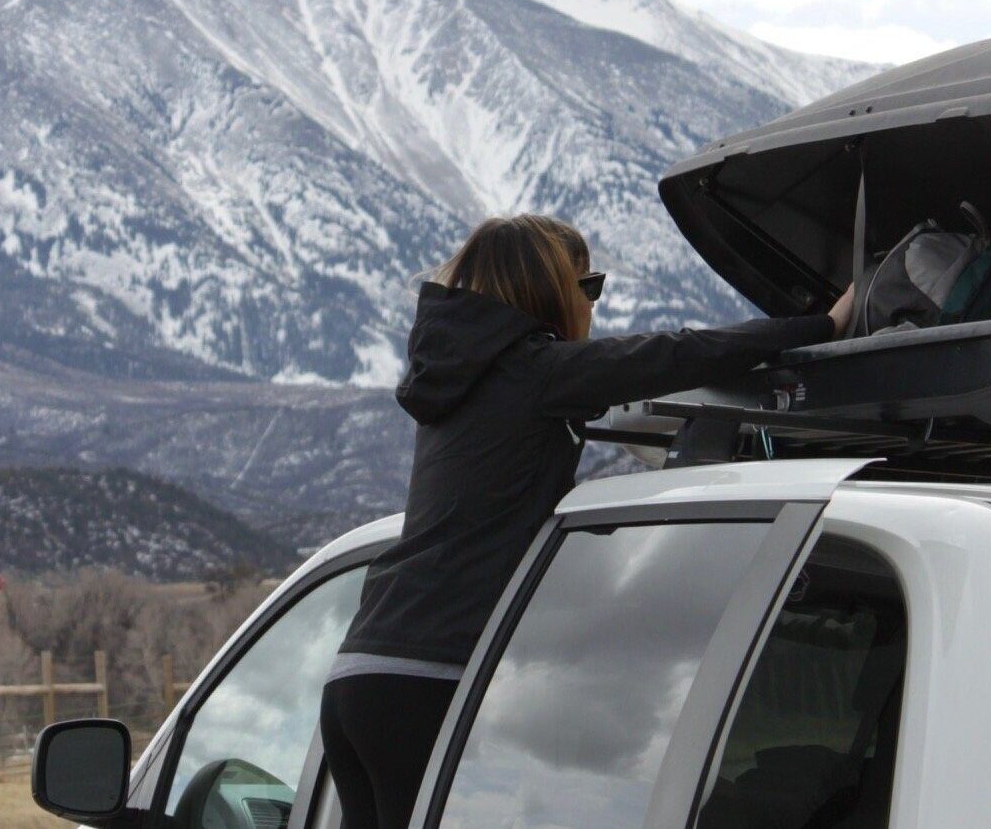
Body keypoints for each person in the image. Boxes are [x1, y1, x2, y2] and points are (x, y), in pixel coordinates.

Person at [318, 214, 855, 829]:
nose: (593, 305)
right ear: (546, 289)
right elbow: (668, 355)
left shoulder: (452, 385)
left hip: (360, 671)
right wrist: (821, 326)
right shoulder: (534, 370)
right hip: (433, 674)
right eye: (589, 286)